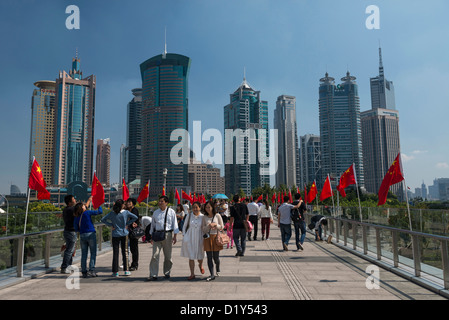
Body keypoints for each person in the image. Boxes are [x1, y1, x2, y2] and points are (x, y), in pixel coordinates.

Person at [101, 199, 138, 277]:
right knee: (125, 252)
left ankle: (115, 272)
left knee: (115, 253)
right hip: (124, 233)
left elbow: (103, 220)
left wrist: (111, 225)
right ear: (122, 205)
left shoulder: (112, 213)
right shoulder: (126, 212)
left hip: (115, 234)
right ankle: (126, 270)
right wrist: (127, 223)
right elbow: (135, 217)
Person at [147, 196, 179, 281]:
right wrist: (151, 236)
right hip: (157, 235)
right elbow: (152, 225)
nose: (160, 203)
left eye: (162, 201)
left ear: (166, 203)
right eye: (159, 201)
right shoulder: (155, 212)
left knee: (168, 256)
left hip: (167, 235)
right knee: (155, 255)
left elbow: (175, 224)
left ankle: (167, 272)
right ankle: (153, 274)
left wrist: (175, 236)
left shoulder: (171, 212)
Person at [73, 197, 102, 278]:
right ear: (82, 207)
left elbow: (76, 228)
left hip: (82, 235)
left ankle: (84, 271)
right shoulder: (87, 213)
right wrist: (98, 204)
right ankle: (92, 270)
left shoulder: (76, 217)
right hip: (91, 234)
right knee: (93, 253)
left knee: (84, 254)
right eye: (83, 205)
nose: (85, 206)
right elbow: (100, 212)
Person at [180, 201, 205, 280]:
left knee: (200, 255)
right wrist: (184, 235)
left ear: (200, 208)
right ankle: (192, 273)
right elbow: (184, 226)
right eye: (193, 207)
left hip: (200, 237)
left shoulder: (203, 216)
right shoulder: (189, 215)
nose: (195, 209)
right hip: (190, 237)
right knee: (191, 256)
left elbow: (204, 227)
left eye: (196, 207)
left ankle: (200, 265)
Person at [202, 200, 224, 281]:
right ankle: (212, 274)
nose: (207, 209)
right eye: (206, 207)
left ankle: (217, 266)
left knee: (216, 257)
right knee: (209, 257)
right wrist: (208, 226)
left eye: (209, 207)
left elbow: (222, 227)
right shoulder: (204, 217)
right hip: (207, 238)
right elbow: (203, 229)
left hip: (215, 237)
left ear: (212, 207)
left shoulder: (217, 216)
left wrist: (215, 225)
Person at [61, 194, 81, 274]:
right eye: (73, 199)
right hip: (71, 232)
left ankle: (68, 266)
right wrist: (88, 201)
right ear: (69, 202)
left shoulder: (66, 209)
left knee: (70, 250)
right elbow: (79, 211)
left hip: (68, 231)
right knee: (69, 250)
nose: (75, 200)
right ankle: (65, 267)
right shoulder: (71, 209)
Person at [125, 198, 140, 271]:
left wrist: (132, 223)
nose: (128, 203)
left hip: (134, 232)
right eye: (127, 202)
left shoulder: (134, 210)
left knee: (134, 249)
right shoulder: (127, 210)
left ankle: (135, 264)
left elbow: (135, 219)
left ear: (133, 203)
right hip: (128, 231)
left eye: (130, 202)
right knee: (131, 249)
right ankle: (131, 264)